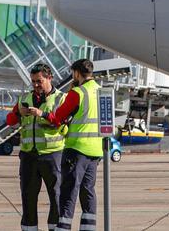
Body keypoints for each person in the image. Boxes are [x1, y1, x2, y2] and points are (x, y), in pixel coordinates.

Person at [45, 59, 102, 231]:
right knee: (88, 191)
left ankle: (63, 227)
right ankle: (88, 228)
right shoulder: (101, 91)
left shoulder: (78, 92)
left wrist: (44, 114)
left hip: (77, 149)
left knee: (69, 190)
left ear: (77, 73)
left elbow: (58, 117)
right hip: (95, 150)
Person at [7, 63, 65, 231]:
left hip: (52, 155)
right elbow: (10, 121)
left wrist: (42, 114)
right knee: (28, 198)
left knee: (56, 196)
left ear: (50, 78)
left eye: (39, 81)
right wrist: (18, 113)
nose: (36, 85)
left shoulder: (61, 98)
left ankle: (55, 228)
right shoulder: (24, 98)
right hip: (29, 156)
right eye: (33, 81)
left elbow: (62, 121)